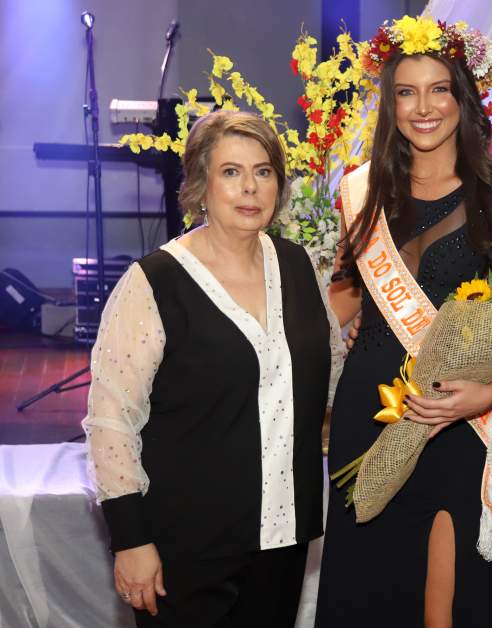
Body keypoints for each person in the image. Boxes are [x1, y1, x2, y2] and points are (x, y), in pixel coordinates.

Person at [315, 18, 492, 628]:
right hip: (370, 407)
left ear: (462, 97)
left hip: (454, 414)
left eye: (439, 89)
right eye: (406, 92)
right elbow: (344, 296)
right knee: (368, 587)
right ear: (390, 103)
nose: (423, 107)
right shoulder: (360, 188)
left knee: (447, 599)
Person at [82, 110, 343, 627]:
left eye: (263, 171)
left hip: (282, 539)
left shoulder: (297, 265)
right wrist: (131, 538)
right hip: (185, 545)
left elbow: (331, 373)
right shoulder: (154, 282)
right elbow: (110, 421)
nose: (250, 188)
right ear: (201, 184)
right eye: (231, 172)